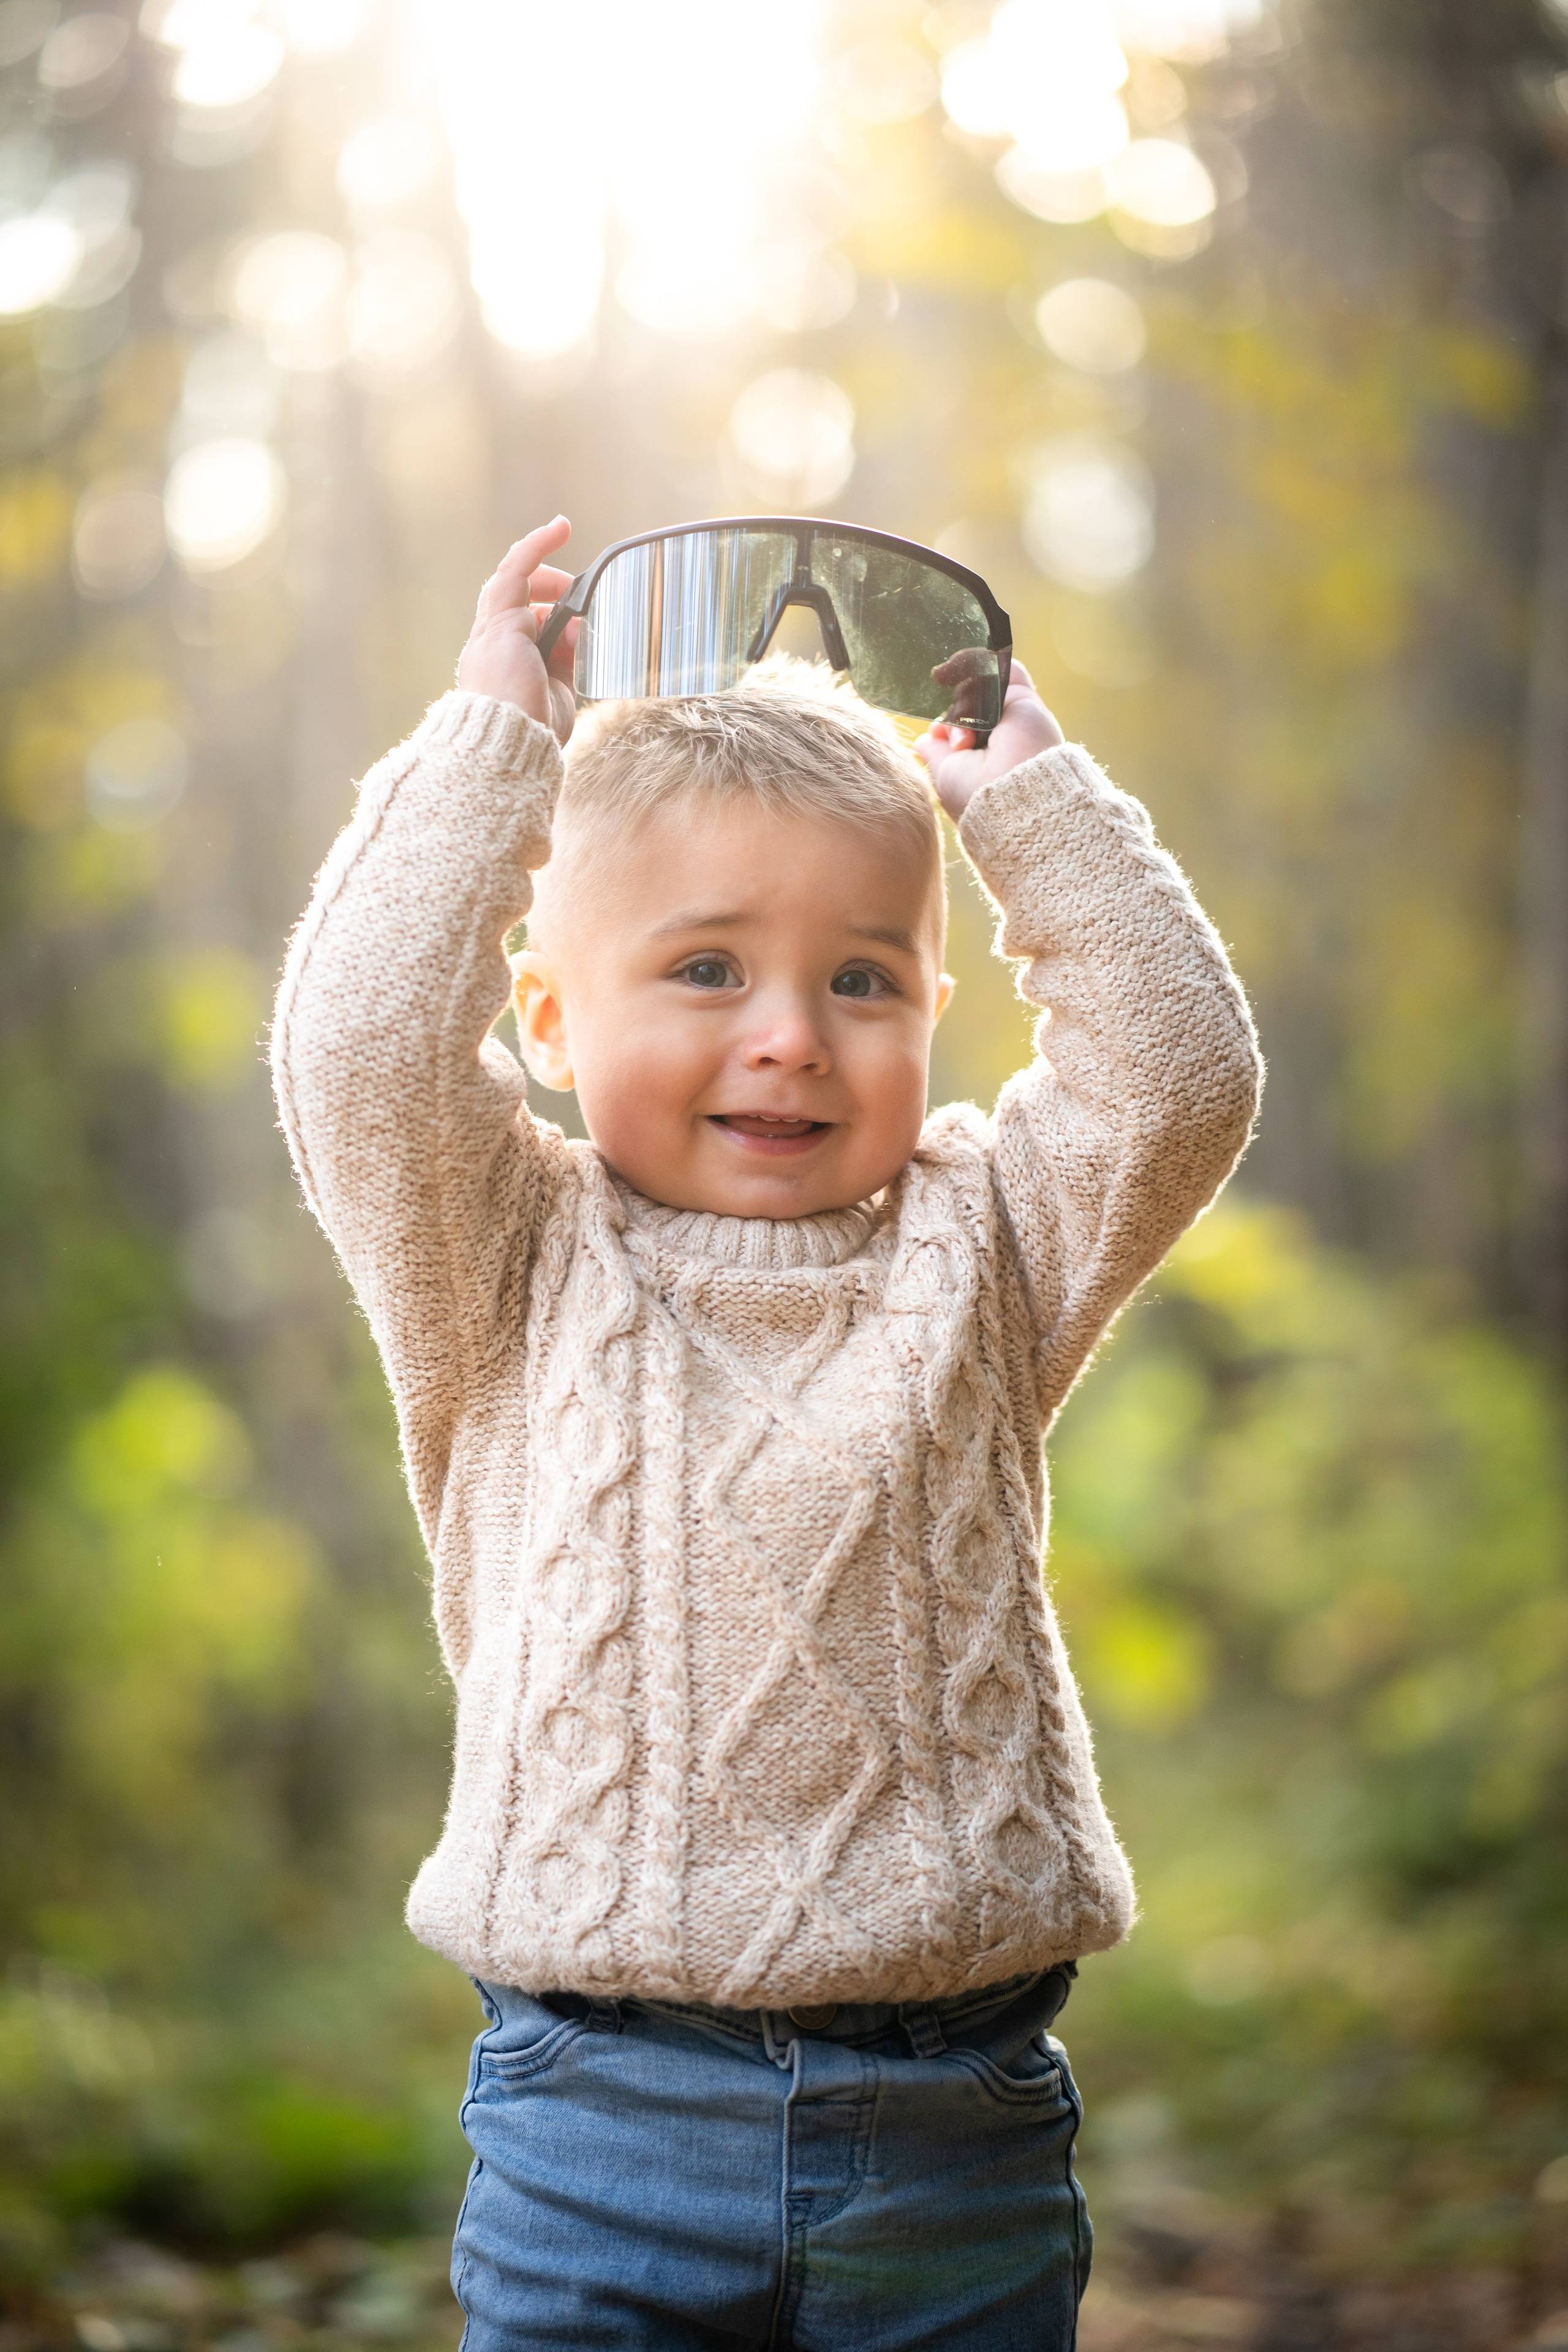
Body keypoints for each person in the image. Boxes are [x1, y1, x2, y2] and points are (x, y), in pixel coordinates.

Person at [271, 515, 1262, 2350]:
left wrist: (1031, 804)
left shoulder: (984, 1246)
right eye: (708, 970)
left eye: (863, 979)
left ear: (936, 1010)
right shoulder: (501, 1254)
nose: (793, 1035)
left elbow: (1181, 1077)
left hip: (956, 2124)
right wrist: (492, 749)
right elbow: (357, 1053)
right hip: (598, 2118)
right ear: (549, 1016)